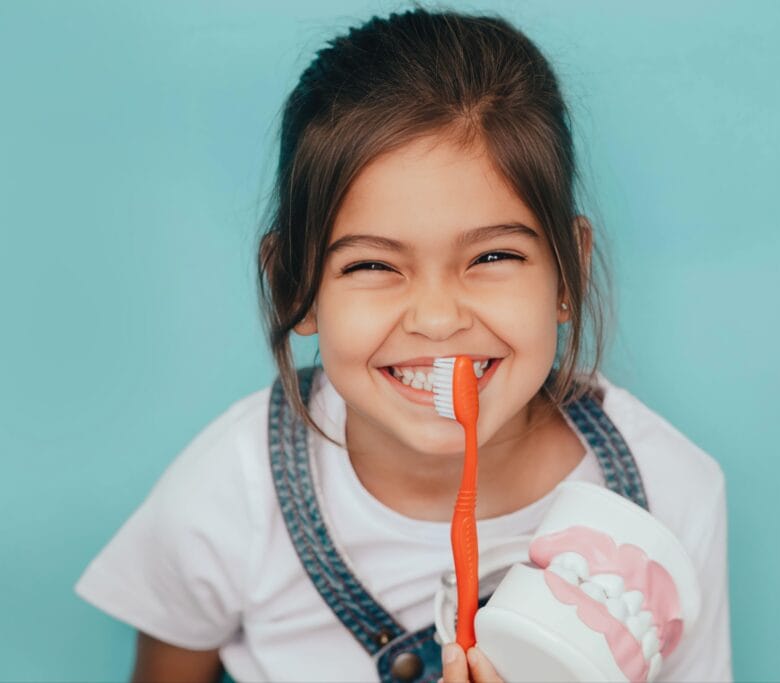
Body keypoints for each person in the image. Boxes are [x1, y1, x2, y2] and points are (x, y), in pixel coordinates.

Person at [75, 7, 732, 682]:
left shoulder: (671, 496)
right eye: (371, 265)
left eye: (493, 255)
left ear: (568, 273)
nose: (439, 317)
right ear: (294, 284)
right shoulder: (229, 494)